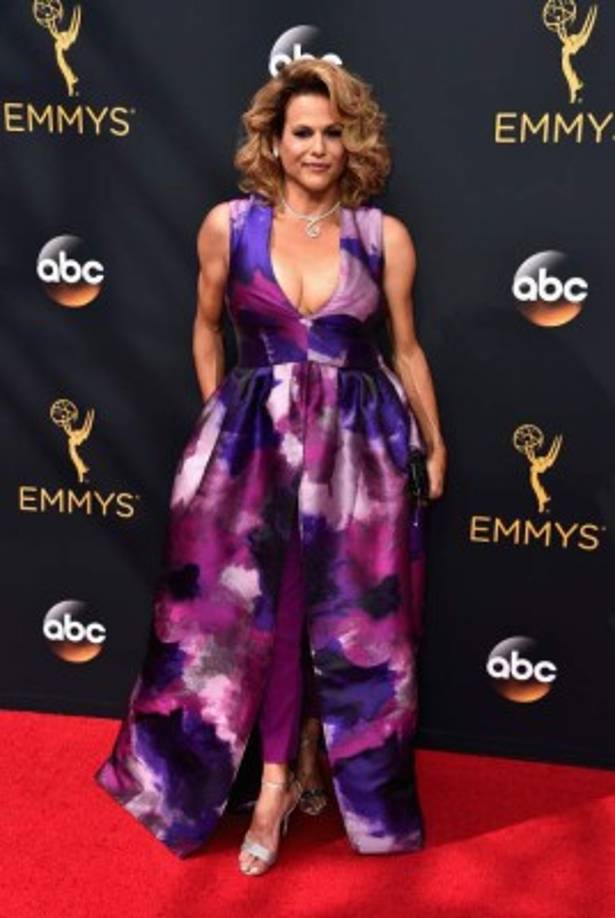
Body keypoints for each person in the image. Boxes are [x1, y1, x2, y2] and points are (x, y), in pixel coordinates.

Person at [94, 57, 447, 876]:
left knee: (346, 618)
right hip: (251, 455)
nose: (317, 148)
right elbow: (203, 328)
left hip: (357, 461)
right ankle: (276, 782)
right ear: (274, 141)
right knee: (265, 614)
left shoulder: (380, 234)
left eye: (330, 133)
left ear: (349, 140)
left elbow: (406, 347)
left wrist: (434, 441)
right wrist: (224, 419)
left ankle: (307, 764)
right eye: (301, 134)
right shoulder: (229, 224)